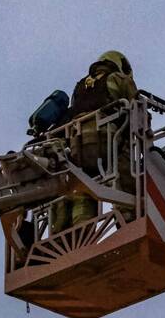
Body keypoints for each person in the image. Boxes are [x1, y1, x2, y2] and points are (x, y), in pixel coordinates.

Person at [51, 50, 138, 234]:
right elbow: (137, 110)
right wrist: (147, 139)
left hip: (77, 147)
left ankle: (80, 231)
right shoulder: (119, 79)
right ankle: (128, 217)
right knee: (124, 170)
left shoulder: (81, 86)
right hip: (107, 140)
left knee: (84, 188)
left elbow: (72, 112)